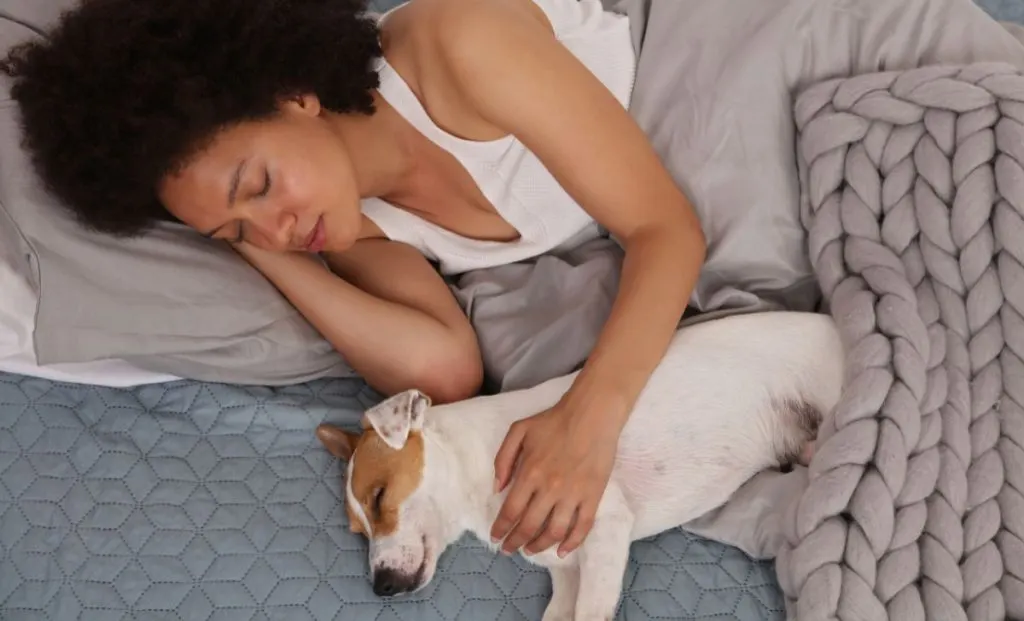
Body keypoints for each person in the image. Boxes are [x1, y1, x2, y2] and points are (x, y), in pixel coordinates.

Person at [1, 0, 706, 559]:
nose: (277, 225)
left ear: (298, 96)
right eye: (236, 231)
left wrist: (587, 426)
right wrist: (258, 250)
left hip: (683, 78)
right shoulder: (348, 223)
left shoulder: (462, 47)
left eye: (261, 184)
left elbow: (664, 230)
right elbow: (445, 367)